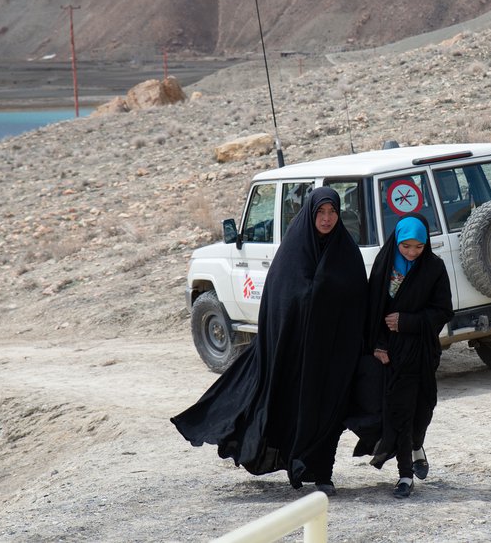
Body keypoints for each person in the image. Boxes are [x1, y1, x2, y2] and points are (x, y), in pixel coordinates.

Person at [170, 187, 367, 496]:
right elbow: (278, 305)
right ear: (310, 214)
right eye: (321, 213)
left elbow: (359, 302)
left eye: (332, 213)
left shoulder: (347, 253)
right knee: (296, 409)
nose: (327, 219)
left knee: (329, 412)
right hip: (294, 353)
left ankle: (323, 473)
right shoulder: (292, 253)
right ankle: (299, 464)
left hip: (333, 354)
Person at [364, 213, 452, 498]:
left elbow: (443, 311)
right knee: (400, 412)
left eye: (418, 247)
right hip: (391, 354)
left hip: (422, 352)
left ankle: (417, 445)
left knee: (423, 409)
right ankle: (404, 475)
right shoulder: (384, 265)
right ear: (397, 242)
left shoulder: (434, 268)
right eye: (406, 247)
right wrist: (378, 344)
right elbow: (372, 309)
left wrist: (408, 322)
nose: (412, 253)